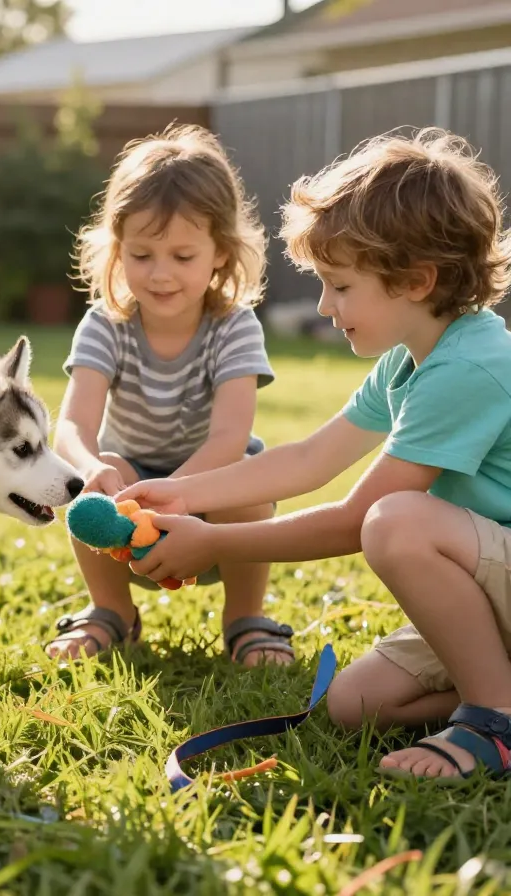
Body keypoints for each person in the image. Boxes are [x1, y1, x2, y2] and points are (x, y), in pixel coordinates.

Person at [119, 127, 511, 781]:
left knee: (396, 521)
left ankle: (494, 719)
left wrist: (212, 544)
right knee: (355, 703)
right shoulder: (408, 360)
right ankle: (497, 689)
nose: (325, 307)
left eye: (340, 286)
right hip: (494, 588)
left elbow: (359, 520)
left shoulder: (471, 365)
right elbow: (307, 458)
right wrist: (183, 497)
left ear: (416, 280)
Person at [46, 123, 289, 667]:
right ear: (117, 249)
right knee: (91, 491)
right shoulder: (106, 324)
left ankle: (245, 618)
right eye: (141, 254)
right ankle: (112, 611)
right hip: (130, 486)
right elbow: (72, 428)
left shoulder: (234, 327)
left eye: (182, 256)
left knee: (249, 490)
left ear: (221, 253)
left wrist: (175, 496)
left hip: (211, 485)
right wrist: (93, 470)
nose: (159, 275)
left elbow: (230, 438)